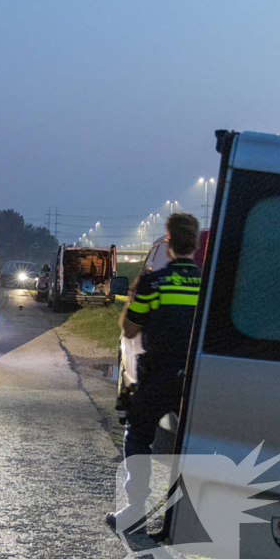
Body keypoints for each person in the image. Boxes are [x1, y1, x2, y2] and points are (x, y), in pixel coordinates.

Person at [107, 213, 202, 531]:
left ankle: (135, 513)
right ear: (196, 243)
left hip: (158, 376)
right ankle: (186, 520)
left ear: (170, 244)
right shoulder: (208, 285)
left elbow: (130, 330)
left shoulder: (154, 282)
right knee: (195, 448)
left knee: (138, 437)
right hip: (196, 379)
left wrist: (135, 295)